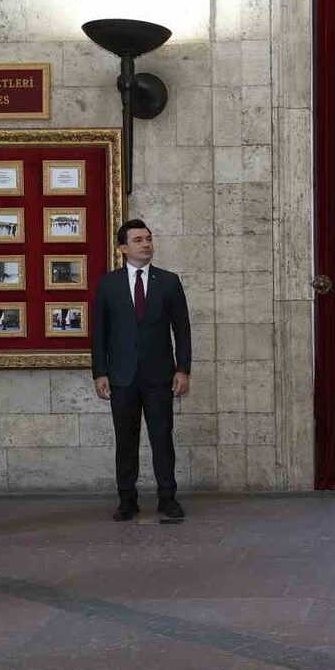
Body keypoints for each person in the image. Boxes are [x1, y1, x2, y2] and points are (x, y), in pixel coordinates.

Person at [91, 219, 192, 522]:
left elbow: (182, 330)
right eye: (138, 240)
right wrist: (100, 372)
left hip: (160, 375)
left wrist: (182, 369)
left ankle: (167, 498)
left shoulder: (169, 281)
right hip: (121, 377)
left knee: (162, 438)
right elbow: (99, 333)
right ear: (123, 248)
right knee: (126, 440)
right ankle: (127, 499)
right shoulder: (108, 284)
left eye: (148, 238)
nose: (146, 244)